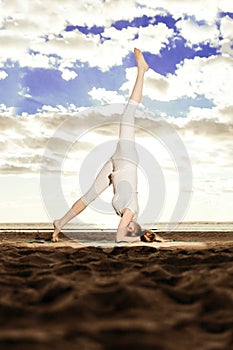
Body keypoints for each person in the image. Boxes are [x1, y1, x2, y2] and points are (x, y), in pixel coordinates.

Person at [52, 48, 163, 244]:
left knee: (89, 196)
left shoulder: (123, 214)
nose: (126, 226)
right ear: (135, 227)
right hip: (126, 159)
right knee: (128, 115)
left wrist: (139, 239)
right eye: (132, 228)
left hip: (115, 166)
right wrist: (139, 238)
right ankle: (142, 71)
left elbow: (121, 236)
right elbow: (121, 237)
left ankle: (60, 223)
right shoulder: (132, 210)